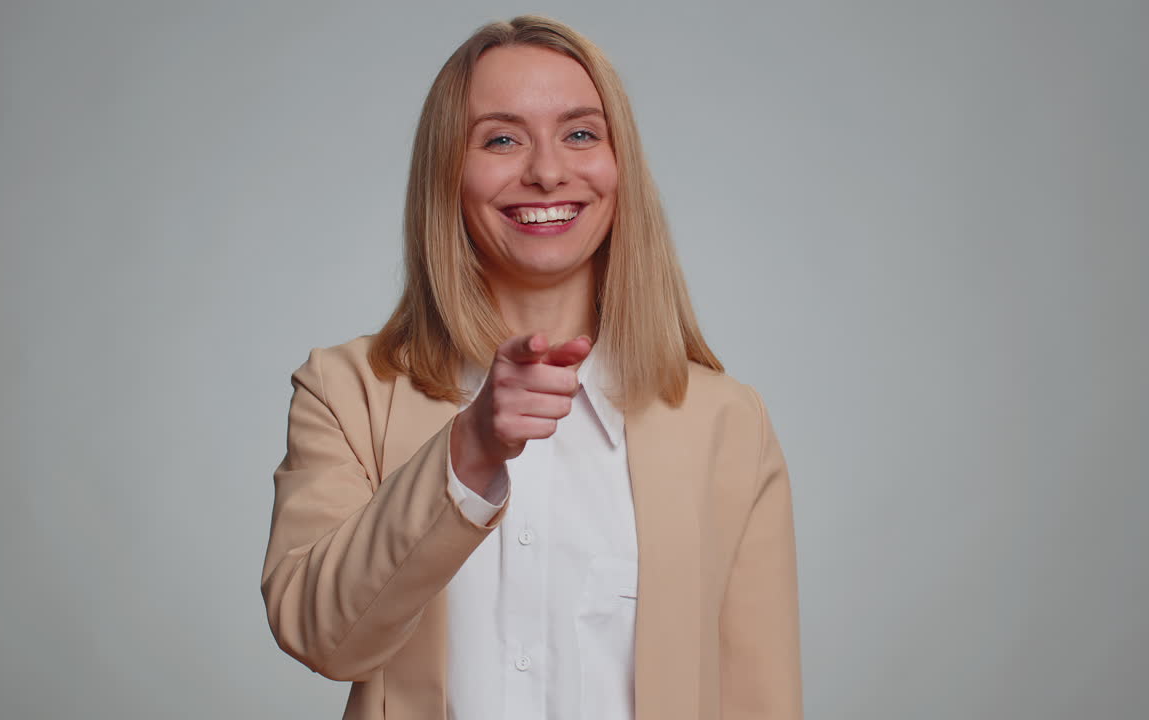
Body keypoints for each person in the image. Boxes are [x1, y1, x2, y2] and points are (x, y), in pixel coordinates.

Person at [261, 15, 802, 720]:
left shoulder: (728, 422)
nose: (547, 171)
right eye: (501, 139)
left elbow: (760, 697)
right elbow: (321, 637)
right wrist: (467, 452)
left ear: (620, 165)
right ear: (448, 173)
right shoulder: (346, 391)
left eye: (580, 134)